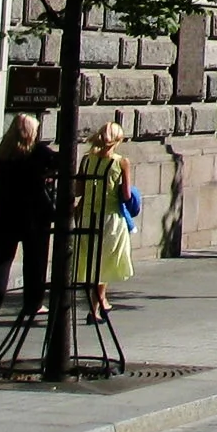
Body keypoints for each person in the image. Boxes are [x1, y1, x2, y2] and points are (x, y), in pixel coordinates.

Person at [0, 112, 61, 323]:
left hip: (4, 211)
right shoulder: (38, 153)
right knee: (36, 260)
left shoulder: (1, 154)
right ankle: (33, 304)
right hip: (34, 214)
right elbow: (60, 163)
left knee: (2, 259)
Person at [76, 121, 136, 319]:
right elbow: (127, 195)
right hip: (110, 217)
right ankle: (98, 305)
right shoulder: (121, 162)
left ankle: (99, 303)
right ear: (119, 140)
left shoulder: (86, 160)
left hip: (86, 215)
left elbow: (78, 190)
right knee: (103, 262)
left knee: (90, 259)